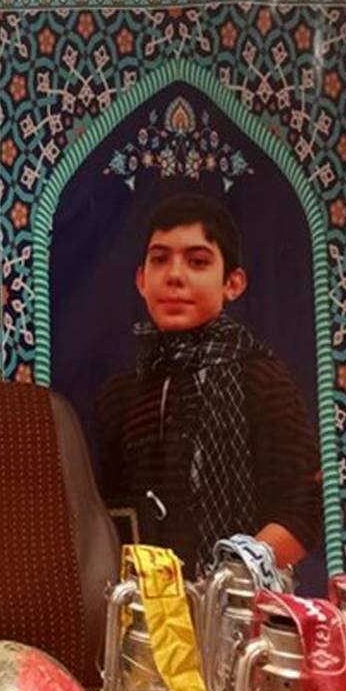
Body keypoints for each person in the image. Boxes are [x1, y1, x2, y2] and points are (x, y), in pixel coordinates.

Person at [95, 193, 322, 576]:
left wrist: (226, 583)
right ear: (141, 280)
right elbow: (105, 514)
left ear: (232, 283)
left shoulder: (260, 379)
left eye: (197, 261)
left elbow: (304, 511)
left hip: (243, 600)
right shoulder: (121, 395)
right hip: (144, 599)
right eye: (159, 259)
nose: (175, 276)